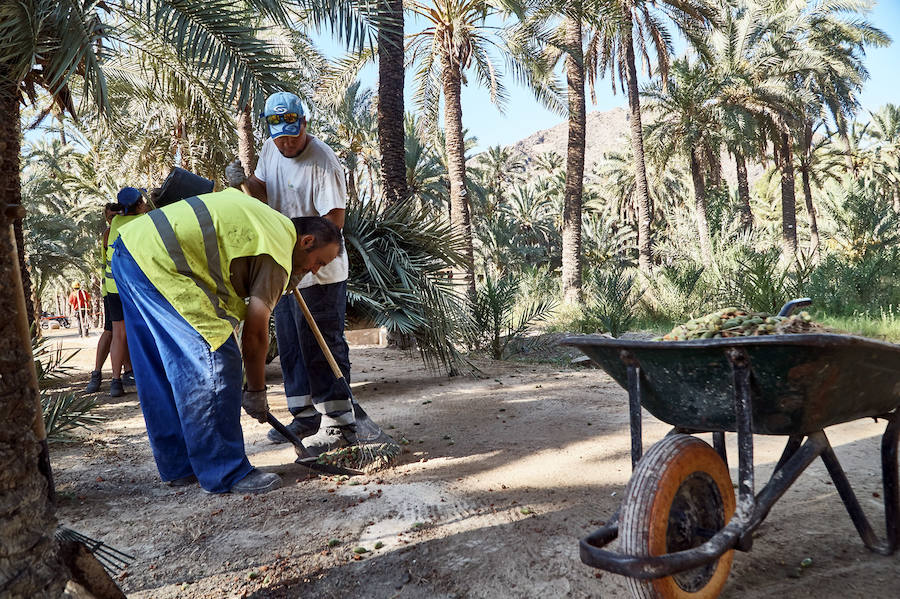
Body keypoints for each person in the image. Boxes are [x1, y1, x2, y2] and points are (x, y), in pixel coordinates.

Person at [110, 168, 343, 494]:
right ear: (306, 241)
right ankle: (226, 471)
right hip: (163, 261)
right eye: (319, 262)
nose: (314, 271)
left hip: (131, 249)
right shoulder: (279, 250)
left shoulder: (268, 223)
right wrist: (256, 391)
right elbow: (256, 333)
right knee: (216, 357)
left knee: (157, 366)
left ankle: (179, 466)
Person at [227, 91, 354, 458]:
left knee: (322, 344)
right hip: (283, 265)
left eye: (293, 135)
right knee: (291, 344)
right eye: (280, 136)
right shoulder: (271, 149)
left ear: (304, 124)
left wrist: (304, 256)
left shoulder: (323, 161)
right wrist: (243, 181)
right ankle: (304, 415)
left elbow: (334, 223)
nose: (286, 143)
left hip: (320, 269)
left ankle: (339, 421)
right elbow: (262, 190)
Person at [103, 187, 148, 397]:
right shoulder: (143, 222)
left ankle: (115, 381)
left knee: (118, 334)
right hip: (132, 287)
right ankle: (146, 375)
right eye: (142, 201)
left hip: (113, 287)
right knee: (142, 330)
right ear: (139, 205)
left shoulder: (116, 223)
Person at [85, 203, 134, 393]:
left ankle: (127, 371)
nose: (115, 218)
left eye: (118, 214)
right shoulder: (108, 234)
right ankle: (97, 373)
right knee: (111, 332)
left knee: (121, 333)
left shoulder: (122, 229)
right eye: (111, 216)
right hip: (111, 292)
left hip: (118, 290)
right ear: (106, 218)